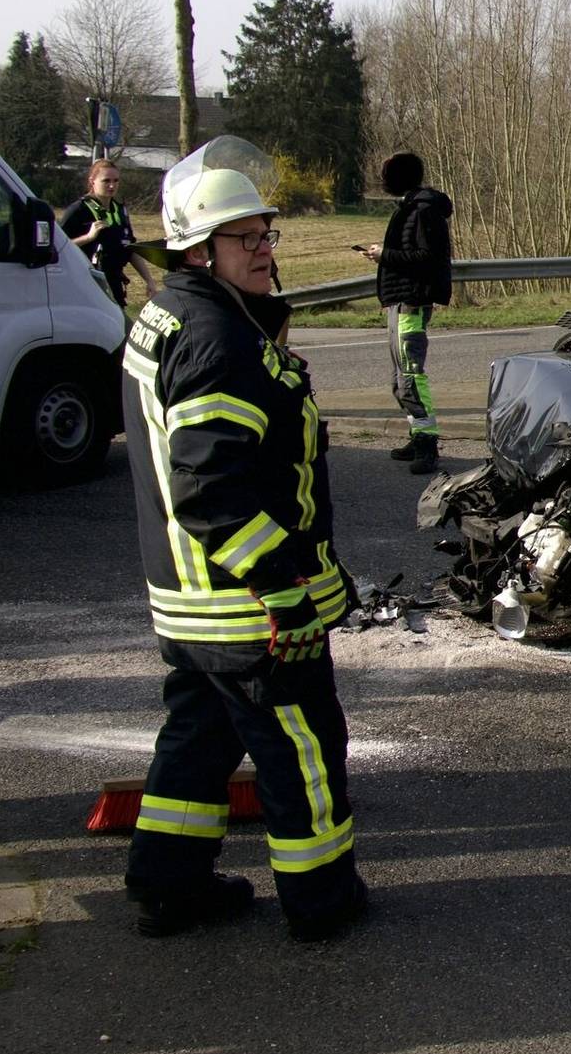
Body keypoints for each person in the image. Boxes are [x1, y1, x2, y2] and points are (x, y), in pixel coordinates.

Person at [121, 136, 366, 943]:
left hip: (191, 606)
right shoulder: (219, 340)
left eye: (267, 233)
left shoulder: (168, 315)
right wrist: (284, 587)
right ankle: (322, 900)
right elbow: (207, 485)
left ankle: (168, 884)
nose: (264, 249)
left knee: (196, 745)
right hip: (246, 609)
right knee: (302, 752)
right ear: (198, 248)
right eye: (244, 238)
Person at [362, 152, 453, 475]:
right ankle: (418, 435)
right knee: (399, 380)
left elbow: (426, 257)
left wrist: (383, 255)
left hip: (412, 302)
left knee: (411, 376)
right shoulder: (414, 208)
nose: (382, 179)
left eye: (386, 174)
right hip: (400, 300)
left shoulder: (424, 211)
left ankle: (427, 444)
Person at [59, 158, 156, 307]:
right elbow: (58, 246)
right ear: (92, 181)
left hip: (114, 283)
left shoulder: (120, 210)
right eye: (106, 181)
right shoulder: (78, 210)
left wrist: (149, 280)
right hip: (87, 284)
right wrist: (88, 237)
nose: (112, 185)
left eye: (116, 180)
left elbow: (130, 248)